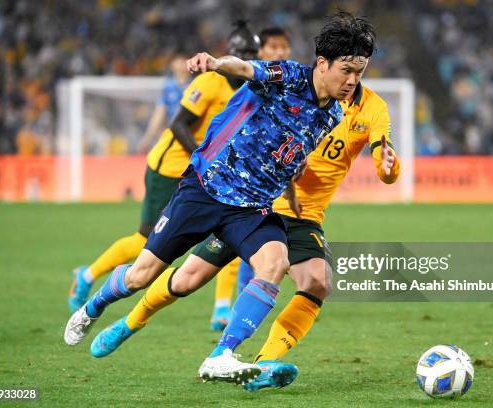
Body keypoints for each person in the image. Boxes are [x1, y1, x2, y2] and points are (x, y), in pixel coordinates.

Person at [64, 11, 375, 385]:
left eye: (360, 72)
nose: (352, 81)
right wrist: (214, 63)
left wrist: (293, 178)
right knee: (141, 276)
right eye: (347, 70)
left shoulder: (333, 115)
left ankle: (221, 354)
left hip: (251, 209)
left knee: (274, 262)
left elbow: (291, 152)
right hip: (206, 190)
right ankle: (95, 305)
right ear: (322, 63)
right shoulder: (290, 76)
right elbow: (245, 69)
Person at [91, 81, 399, 392]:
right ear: (326, 64)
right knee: (187, 279)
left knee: (318, 282)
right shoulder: (300, 95)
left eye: (356, 66)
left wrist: (389, 168)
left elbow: (383, 159)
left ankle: (263, 362)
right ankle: (131, 322)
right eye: (344, 65)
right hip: (251, 206)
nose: (349, 75)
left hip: (303, 216)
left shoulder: (373, 108)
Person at [66, 23, 259, 313]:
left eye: (251, 53)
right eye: (242, 51)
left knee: (223, 232)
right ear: (230, 53)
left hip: (203, 173)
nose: (246, 56)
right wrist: (203, 154)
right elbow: (179, 123)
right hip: (170, 168)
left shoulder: (250, 88)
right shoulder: (209, 83)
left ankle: (221, 306)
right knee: (145, 238)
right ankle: (88, 275)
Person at [211, 26, 293, 331]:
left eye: (284, 47)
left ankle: (231, 307)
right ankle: (223, 306)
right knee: (224, 243)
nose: (279, 53)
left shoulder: (291, 85)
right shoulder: (249, 83)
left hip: (268, 179)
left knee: (257, 248)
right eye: (273, 47)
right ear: (262, 52)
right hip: (230, 175)